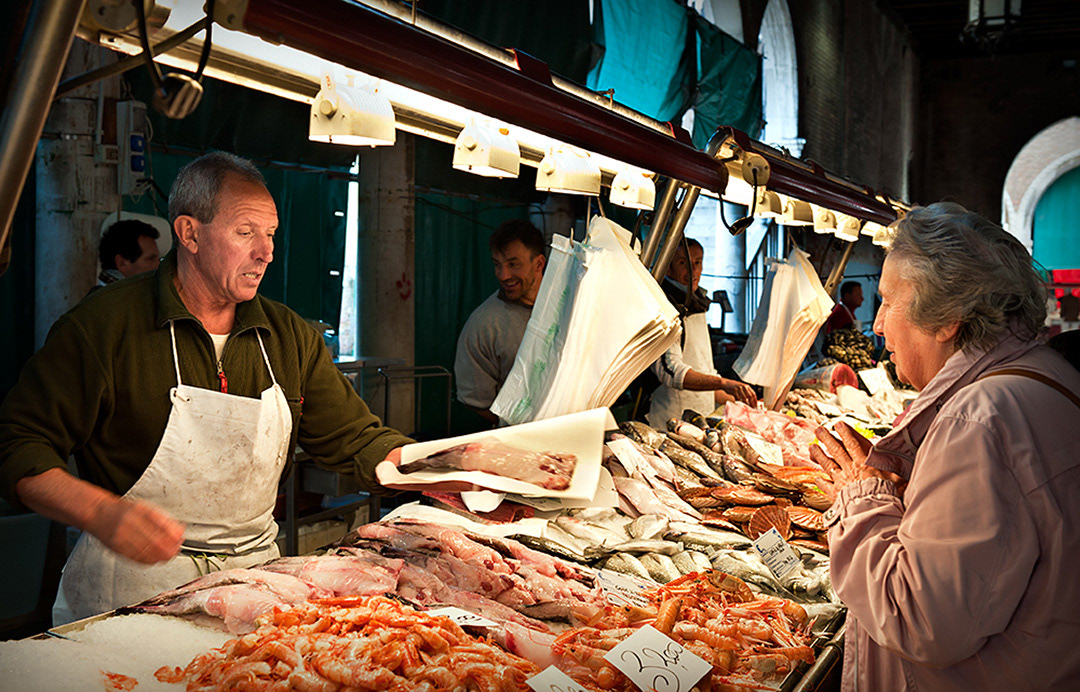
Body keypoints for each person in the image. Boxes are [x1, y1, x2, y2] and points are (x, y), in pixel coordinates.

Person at [0, 152, 413, 625]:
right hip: (132, 592)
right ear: (189, 233)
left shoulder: (287, 336)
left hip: (253, 585)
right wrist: (99, 512)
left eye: (271, 233)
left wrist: (448, 468)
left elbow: (356, 440)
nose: (267, 251)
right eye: (245, 232)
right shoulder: (102, 327)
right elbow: (16, 444)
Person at [810, 202, 1080, 690]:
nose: (876, 325)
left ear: (947, 318)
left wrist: (861, 496)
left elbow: (921, 620)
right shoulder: (1046, 374)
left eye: (889, 302)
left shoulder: (979, 418)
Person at [646, 238, 756, 426]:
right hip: (671, 423)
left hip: (701, 419)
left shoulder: (696, 302)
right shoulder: (664, 306)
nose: (693, 270)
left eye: (697, 262)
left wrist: (742, 407)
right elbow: (671, 371)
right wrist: (725, 383)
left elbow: (705, 371)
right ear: (669, 267)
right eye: (683, 263)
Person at [454, 219, 546, 424]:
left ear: (538, 263)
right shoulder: (484, 324)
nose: (503, 275)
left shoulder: (568, 305)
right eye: (497, 265)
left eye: (513, 264)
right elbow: (478, 402)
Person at [97, 218, 161, 286]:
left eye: (158, 259)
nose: (158, 265)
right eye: (151, 259)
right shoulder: (117, 295)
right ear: (122, 263)